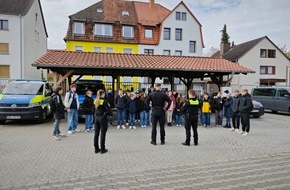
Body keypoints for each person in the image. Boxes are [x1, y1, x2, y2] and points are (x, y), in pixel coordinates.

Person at [94, 89, 113, 154]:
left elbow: (93, 109)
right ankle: (102, 149)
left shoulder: (95, 100)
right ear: (103, 94)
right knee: (103, 134)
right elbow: (109, 109)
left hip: (96, 118)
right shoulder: (104, 101)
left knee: (96, 134)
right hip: (102, 118)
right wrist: (110, 114)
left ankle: (96, 149)